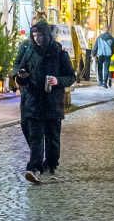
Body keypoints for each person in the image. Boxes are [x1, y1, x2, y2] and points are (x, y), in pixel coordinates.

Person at [12, 20, 75, 183]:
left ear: (47, 35)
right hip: (34, 100)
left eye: (40, 34)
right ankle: (34, 168)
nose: (37, 38)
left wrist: (58, 80)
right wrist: (21, 76)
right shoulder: (29, 51)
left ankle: (51, 163)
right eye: (34, 35)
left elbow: (70, 76)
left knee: (53, 138)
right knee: (35, 137)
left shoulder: (59, 52)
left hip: (52, 102)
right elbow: (20, 70)